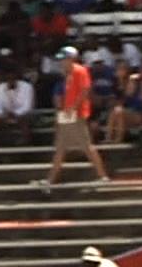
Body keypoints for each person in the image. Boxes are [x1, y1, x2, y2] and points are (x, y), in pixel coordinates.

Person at [40, 47, 112, 189]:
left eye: (64, 59)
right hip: (68, 115)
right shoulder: (67, 74)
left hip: (76, 115)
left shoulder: (80, 71)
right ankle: (50, 180)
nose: (62, 62)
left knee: (86, 146)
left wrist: (73, 107)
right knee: (61, 147)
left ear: (71, 59)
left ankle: (103, 176)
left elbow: (85, 90)